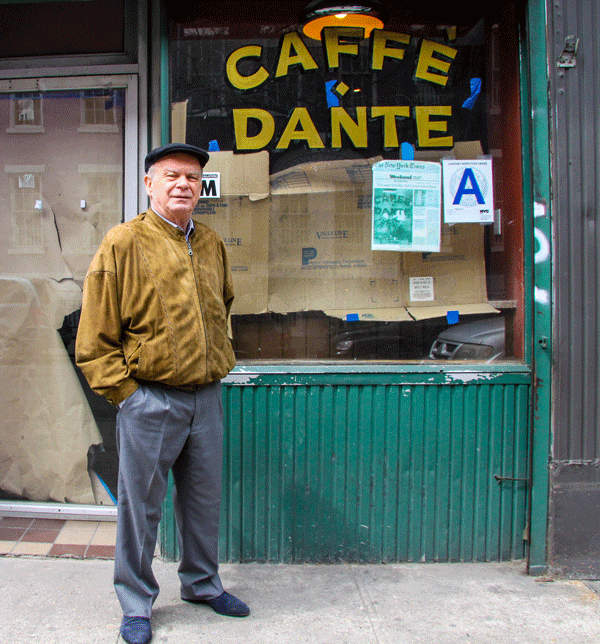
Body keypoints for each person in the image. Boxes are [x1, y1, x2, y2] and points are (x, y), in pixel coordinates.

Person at [75, 143, 249, 644]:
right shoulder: (122, 244)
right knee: (140, 510)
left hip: (206, 396)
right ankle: (135, 604)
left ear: (202, 188)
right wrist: (130, 395)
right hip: (150, 400)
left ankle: (201, 584)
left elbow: (224, 305)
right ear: (149, 183)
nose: (183, 185)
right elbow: (94, 339)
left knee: (202, 500)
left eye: (193, 178)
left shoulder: (212, 243)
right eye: (171, 175)